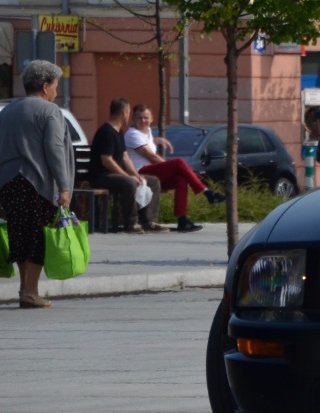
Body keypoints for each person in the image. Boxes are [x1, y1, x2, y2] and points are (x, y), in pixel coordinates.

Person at [0, 61, 74, 308]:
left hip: (9, 183)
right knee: (38, 237)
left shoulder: (7, 111)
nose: (56, 91)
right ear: (45, 86)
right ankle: (31, 291)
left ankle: (25, 289)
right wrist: (64, 187)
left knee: (20, 235)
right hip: (37, 183)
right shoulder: (49, 111)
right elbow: (54, 150)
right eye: (55, 86)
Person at [124, 104, 224, 233]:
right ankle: (206, 192)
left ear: (152, 118)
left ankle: (182, 221)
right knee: (179, 163)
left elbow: (147, 142)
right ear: (133, 119)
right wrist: (171, 167)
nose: (143, 121)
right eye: (139, 118)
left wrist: (156, 140)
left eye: (146, 118)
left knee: (181, 179)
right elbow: (151, 157)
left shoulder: (147, 132)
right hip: (140, 173)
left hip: (153, 174)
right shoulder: (132, 134)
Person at [87, 98, 165, 234]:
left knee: (152, 181)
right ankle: (131, 223)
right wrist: (127, 176)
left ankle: (149, 221)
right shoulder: (106, 132)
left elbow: (125, 157)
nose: (129, 115)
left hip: (114, 175)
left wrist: (136, 175)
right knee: (128, 182)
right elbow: (107, 161)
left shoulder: (119, 132)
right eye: (128, 112)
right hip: (101, 176)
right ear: (124, 113)